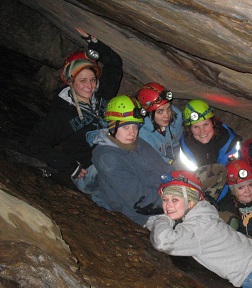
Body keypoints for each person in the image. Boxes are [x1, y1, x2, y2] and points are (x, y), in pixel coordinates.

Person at [25, 28, 123, 203]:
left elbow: (115, 64)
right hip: (91, 171)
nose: (89, 86)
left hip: (114, 159)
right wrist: (71, 167)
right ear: (71, 82)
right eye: (82, 81)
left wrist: (94, 42)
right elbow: (34, 142)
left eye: (92, 80)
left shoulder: (102, 97)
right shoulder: (62, 114)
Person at [92, 95, 174, 226]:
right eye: (126, 127)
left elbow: (165, 169)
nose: (132, 133)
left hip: (163, 199)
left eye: (135, 127)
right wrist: (177, 202)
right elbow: (141, 202)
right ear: (112, 126)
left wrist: (184, 186)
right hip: (141, 217)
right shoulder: (108, 159)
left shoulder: (137, 143)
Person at [179, 99, 241, 201]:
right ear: (189, 129)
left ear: (213, 123)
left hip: (228, 188)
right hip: (199, 190)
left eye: (206, 124)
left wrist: (215, 199)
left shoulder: (228, 141)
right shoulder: (186, 147)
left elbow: (231, 173)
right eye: (196, 127)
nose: (202, 131)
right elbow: (190, 176)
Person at [136, 82, 184, 166]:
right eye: (160, 112)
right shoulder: (142, 133)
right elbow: (152, 157)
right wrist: (172, 163)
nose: (167, 116)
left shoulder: (177, 118)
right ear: (149, 113)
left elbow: (177, 143)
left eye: (168, 109)